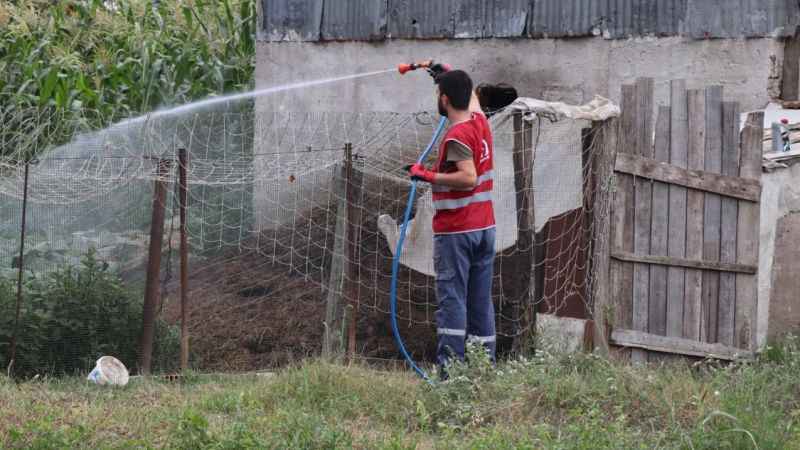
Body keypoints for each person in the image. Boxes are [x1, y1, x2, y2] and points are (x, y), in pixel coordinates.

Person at [407, 70, 496, 377]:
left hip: (458, 232)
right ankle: (483, 370)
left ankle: (452, 375)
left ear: (444, 99)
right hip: (484, 230)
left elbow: (468, 177)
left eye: (439, 95)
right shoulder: (480, 122)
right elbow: (470, 95)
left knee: (453, 301)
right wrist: (445, 71)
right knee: (481, 302)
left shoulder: (457, 134)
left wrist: (426, 175)